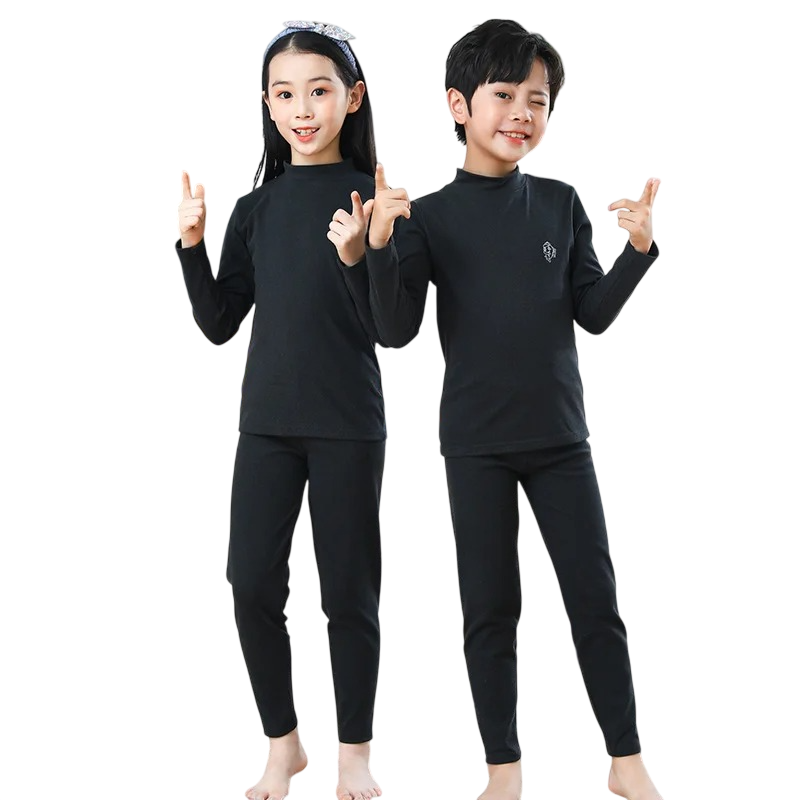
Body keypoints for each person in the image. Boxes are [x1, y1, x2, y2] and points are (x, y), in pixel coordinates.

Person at [358, 18, 664, 800]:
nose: (523, 113)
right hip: (476, 446)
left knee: (595, 601)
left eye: (539, 99)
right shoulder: (427, 215)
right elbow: (394, 332)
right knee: (490, 612)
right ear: (459, 105)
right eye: (505, 95)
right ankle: (503, 772)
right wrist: (383, 244)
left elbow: (593, 313)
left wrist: (636, 253)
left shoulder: (559, 204)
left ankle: (626, 761)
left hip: (562, 439)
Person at [175, 20, 388, 800]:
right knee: (251, 584)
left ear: (352, 97)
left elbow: (389, 328)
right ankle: (283, 744)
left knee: (349, 596)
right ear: (267, 105)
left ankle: (354, 753)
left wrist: (361, 252)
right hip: (266, 425)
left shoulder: (376, 200)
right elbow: (219, 322)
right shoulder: (255, 209)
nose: (302, 108)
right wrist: (192, 245)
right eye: (285, 93)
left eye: (319, 90)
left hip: (348, 425)